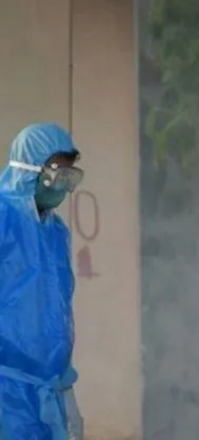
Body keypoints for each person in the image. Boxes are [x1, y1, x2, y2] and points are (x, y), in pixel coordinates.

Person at [0, 123, 84, 439]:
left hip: (48, 386)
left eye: (70, 176)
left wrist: (64, 384)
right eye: (56, 174)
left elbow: (58, 309)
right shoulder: (3, 219)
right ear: (29, 169)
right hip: (5, 389)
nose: (62, 185)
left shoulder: (55, 231)